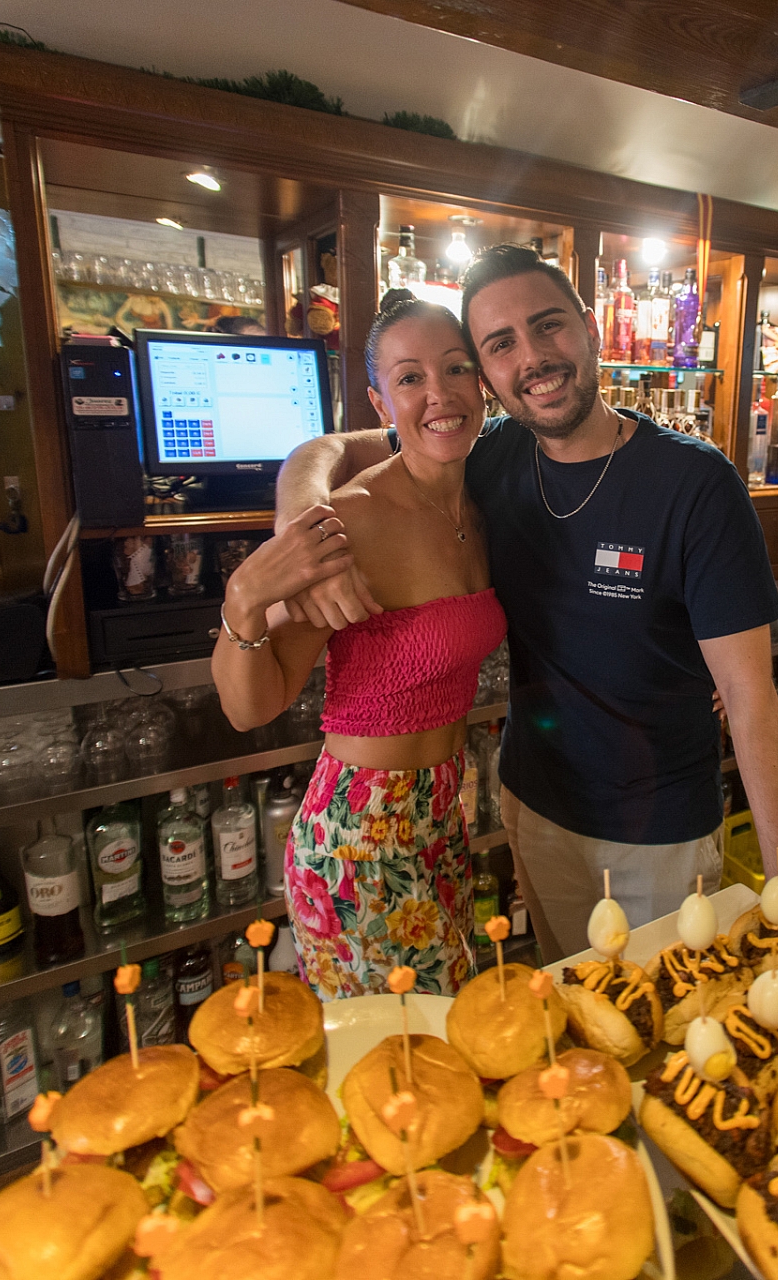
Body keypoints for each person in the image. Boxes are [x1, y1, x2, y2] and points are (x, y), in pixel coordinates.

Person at [274, 245, 778, 962]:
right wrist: (302, 524)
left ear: (590, 327)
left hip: (660, 832)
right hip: (535, 811)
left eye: (548, 325)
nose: (532, 357)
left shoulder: (695, 484)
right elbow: (329, 448)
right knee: (568, 1010)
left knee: (668, 1017)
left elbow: (749, 695)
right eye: (500, 344)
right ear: (487, 375)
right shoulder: (488, 456)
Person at [212, 290, 504, 998]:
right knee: (407, 1051)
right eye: (410, 378)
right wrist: (243, 601)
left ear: (481, 382)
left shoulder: (483, 497)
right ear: (381, 402)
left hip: (443, 817)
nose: (439, 394)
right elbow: (252, 707)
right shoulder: (352, 521)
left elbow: (326, 447)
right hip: (360, 839)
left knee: (441, 1035)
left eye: (456, 368)